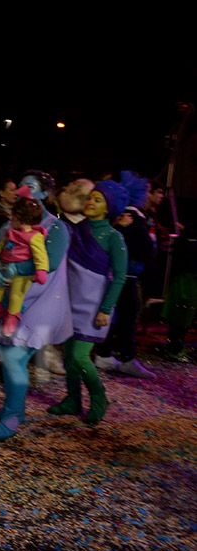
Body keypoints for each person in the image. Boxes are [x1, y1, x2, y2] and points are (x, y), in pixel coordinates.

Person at [0, 170, 72, 440]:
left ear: (45, 194)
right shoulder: (9, 224)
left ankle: (12, 415)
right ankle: (14, 410)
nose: (24, 190)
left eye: (31, 187)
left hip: (40, 302)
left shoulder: (55, 227)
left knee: (13, 357)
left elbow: (50, 263)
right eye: (21, 185)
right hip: (11, 301)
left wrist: (9, 271)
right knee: (10, 357)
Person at [48, 181, 128, 424]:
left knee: (80, 357)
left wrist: (106, 308)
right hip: (70, 303)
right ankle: (73, 399)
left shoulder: (114, 237)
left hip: (94, 307)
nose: (90, 202)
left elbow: (120, 276)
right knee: (70, 355)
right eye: (90, 198)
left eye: (98, 199)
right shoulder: (75, 230)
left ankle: (98, 396)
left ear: (108, 208)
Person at [92, 171, 156, 378]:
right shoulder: (133, 217)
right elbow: (143, 249)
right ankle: (125, 357)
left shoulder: (117, 216)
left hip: (113, 274)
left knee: (114, 315)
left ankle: (105, 353)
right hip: (125, 276)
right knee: (126, 316)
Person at [0, 196, 49, 336]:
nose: (10, 219)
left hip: (21, 274)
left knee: (16, 295)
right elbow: (1, 245)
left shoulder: (34, 236)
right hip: (4, 266)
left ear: (19, 218)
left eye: (12, 216)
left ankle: (12, 317)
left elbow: (40, 255)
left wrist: (41, 270)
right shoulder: (12, 232)